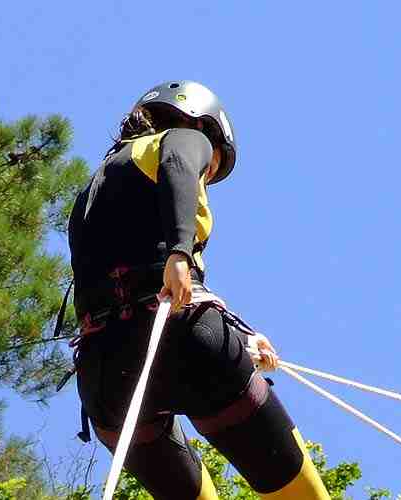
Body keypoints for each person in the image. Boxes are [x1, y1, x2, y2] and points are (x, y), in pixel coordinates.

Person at [67, 80, 329, 500]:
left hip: (104, 381)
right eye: (211, 165)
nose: (206, 172)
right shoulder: (184, 138)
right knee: (302, 494)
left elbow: (128, 277)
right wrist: (180, 252)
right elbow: (177, 165)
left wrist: (242, 338)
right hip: (184, 340)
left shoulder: (89, 193)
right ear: (198, 120)